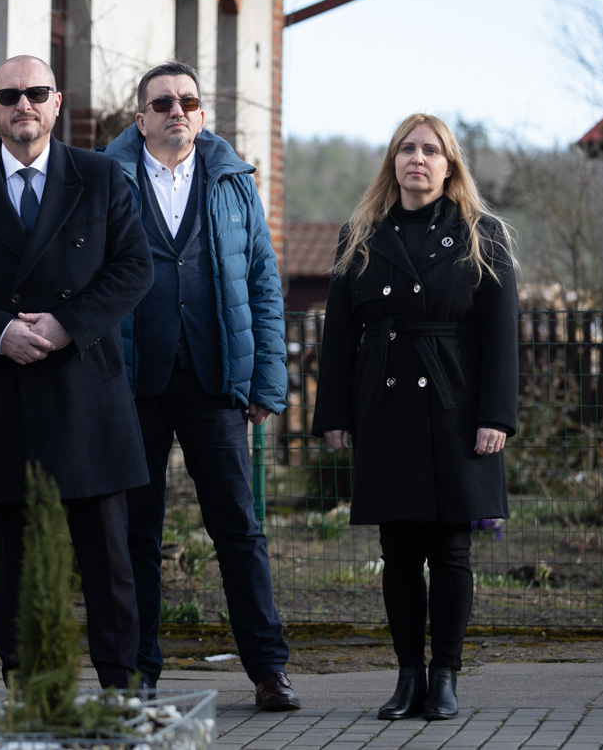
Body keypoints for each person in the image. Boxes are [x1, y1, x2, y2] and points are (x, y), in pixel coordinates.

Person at [0, 54, 153, 689]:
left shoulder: (100, 176)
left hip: (85, 392)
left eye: (36, 93)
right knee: (16, 562)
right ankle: (29, 688)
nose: (24, 105)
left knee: (108, 559)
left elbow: (134, 267)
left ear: (56, 102)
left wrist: (66, 325)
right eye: (10, 95)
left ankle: (119, 687)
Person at [100, 62, 299, 711]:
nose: (176, 111)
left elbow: (263, 281)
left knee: (239, 528)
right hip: (134, 384)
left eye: (188, 101)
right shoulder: (106, 178)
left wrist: (267, 379)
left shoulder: (233, 181)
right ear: (141, 119)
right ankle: (138, 674)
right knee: (136, 534)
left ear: (202, 115)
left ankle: (269, 668)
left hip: (216, 382)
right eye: (162, 103)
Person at [311, 113, 518, 721]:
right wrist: (335, 411)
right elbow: (339, 334)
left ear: (449, 165)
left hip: (457, 408)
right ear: (393, 162)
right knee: (398, 550)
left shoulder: (482, 234)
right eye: (407, 149)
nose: (417, 159)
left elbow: (502, 337)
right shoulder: (360, 234)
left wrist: (496, 416)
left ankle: (445, 676)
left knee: (451, 550)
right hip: (386, 406)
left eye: (430, 150)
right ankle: (408, 677)